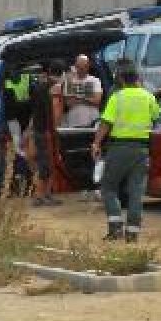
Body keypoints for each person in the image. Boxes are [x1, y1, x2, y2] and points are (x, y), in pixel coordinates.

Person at [92, 61, 160, 241]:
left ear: (121, 79)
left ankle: (115, 228)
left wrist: (96, 143)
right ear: (138, 78)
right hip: (142, 150)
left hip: (119, 148)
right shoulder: (149, 96)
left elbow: (106, 123)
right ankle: (133, 233)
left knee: (108, 187)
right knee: (137, 192)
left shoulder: (118, 97)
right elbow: (156, 117)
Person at [27, 61, 63, 207]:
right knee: (44, 164)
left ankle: (43, 195)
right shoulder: (44, 90)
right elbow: (48, 114)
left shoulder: (39, 88)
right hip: (43, 131)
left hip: (40, 130)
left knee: (43, 164)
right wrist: (50, 130)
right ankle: (40, 196)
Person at [60, 55, 103, 128]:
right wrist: (88, 96)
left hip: (93, 122)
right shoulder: (69, 81)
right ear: (75, 66)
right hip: (74, 123)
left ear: (88, 66)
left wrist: (77, 97)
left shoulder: (95, 80)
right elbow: (69, 103)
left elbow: (97, 100)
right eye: (79, 67)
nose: (81, 69)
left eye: (84, 67)